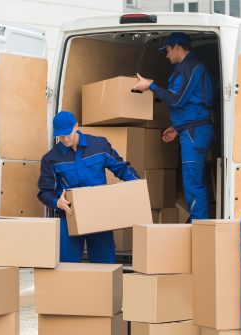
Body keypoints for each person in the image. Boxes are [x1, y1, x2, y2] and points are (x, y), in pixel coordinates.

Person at [37, 111, 139, 263]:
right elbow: (44, 192)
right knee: (66, 265)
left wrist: (137, 185)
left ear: (76, 126)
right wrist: (56, 202)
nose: (64, 139)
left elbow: (121, 169)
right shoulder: (51, 159)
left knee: (104, 265)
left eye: (67, 134)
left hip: (99, 215)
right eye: (60, 136)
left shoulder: (99, 145)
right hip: (69, 215)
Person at [132, 32, 214, 220]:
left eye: (168, 50)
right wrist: (178, 128)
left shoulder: (189, 68)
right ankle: (199, 220)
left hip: (195, 132)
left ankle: (199, 225)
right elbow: (193, 102)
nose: (166, 55)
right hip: (192, 129)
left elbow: (176, 100)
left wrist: (150, 86)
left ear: (177, 47)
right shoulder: (190, 67)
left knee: (192, 181)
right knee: (195, 180)